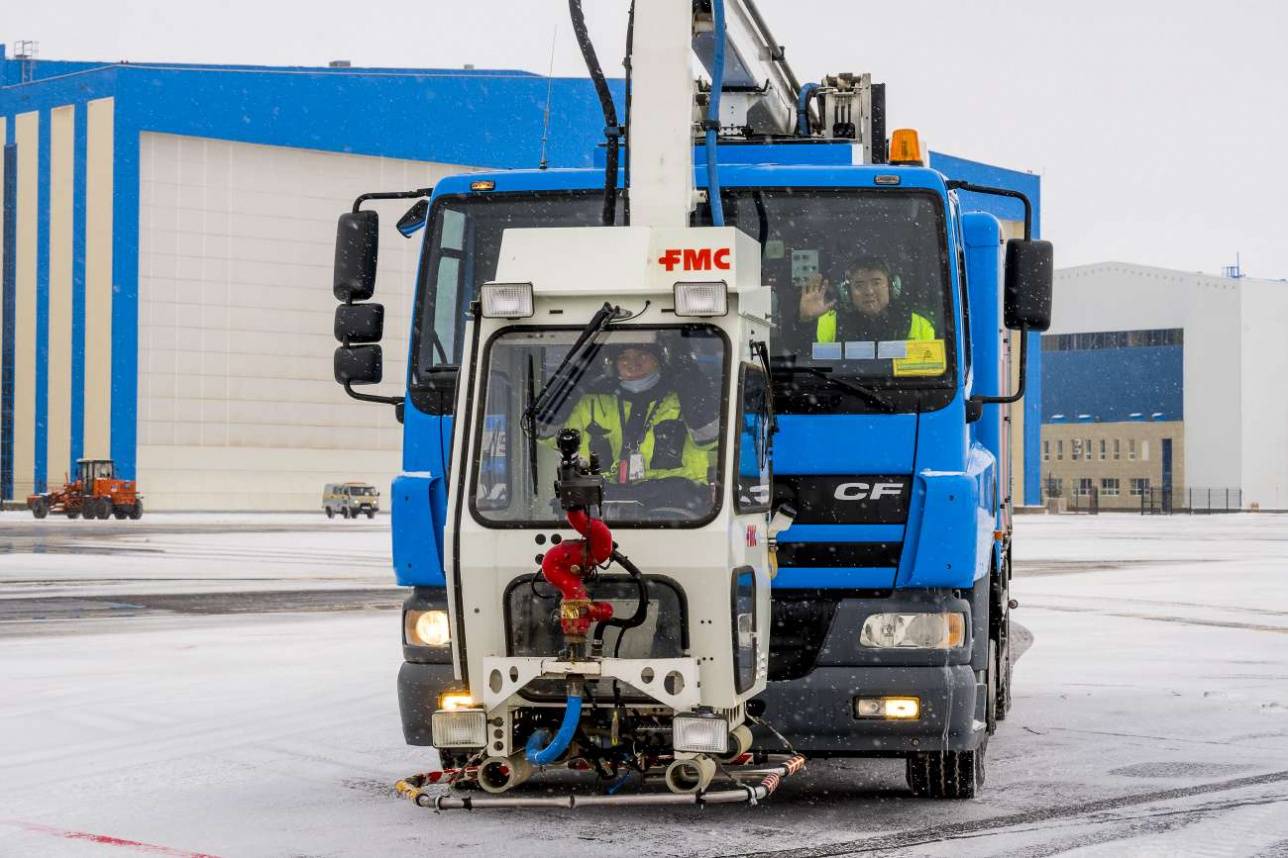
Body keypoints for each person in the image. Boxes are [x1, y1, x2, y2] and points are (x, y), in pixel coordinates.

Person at [553, 342, 718, 514]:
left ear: (659, 359)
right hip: (607, 503)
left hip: (676, 505)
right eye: (624, 357)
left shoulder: (683, 400)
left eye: (643, 355)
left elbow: (710, 440)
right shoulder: (591, 402)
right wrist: (574, 385)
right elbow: (550, 438)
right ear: (614, 363)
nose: (633, 364)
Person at [798, 257, 935, 344]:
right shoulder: (829, 322)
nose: (869, 291)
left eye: (876, 283)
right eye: (859, 285)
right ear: (847, 292)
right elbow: (805, 360)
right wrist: (805, 322)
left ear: (892, 287)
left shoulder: (919, 324)